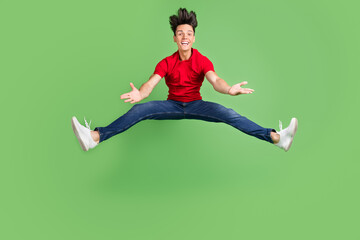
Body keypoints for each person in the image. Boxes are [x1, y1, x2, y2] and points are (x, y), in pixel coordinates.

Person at [71, 8, 298, 152]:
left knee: (230, 115)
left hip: (196, 105)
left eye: (188, 33)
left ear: (194, 37)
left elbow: (214, 79)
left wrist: (229, 89)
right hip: (171, 105)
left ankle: (277, 138)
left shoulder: (201, 60)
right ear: (175, 38)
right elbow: (151, 83)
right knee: (137, 111)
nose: (185, 37)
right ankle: (95, 137)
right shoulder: (166, 62)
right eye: (180, 33)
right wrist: (141, 94)